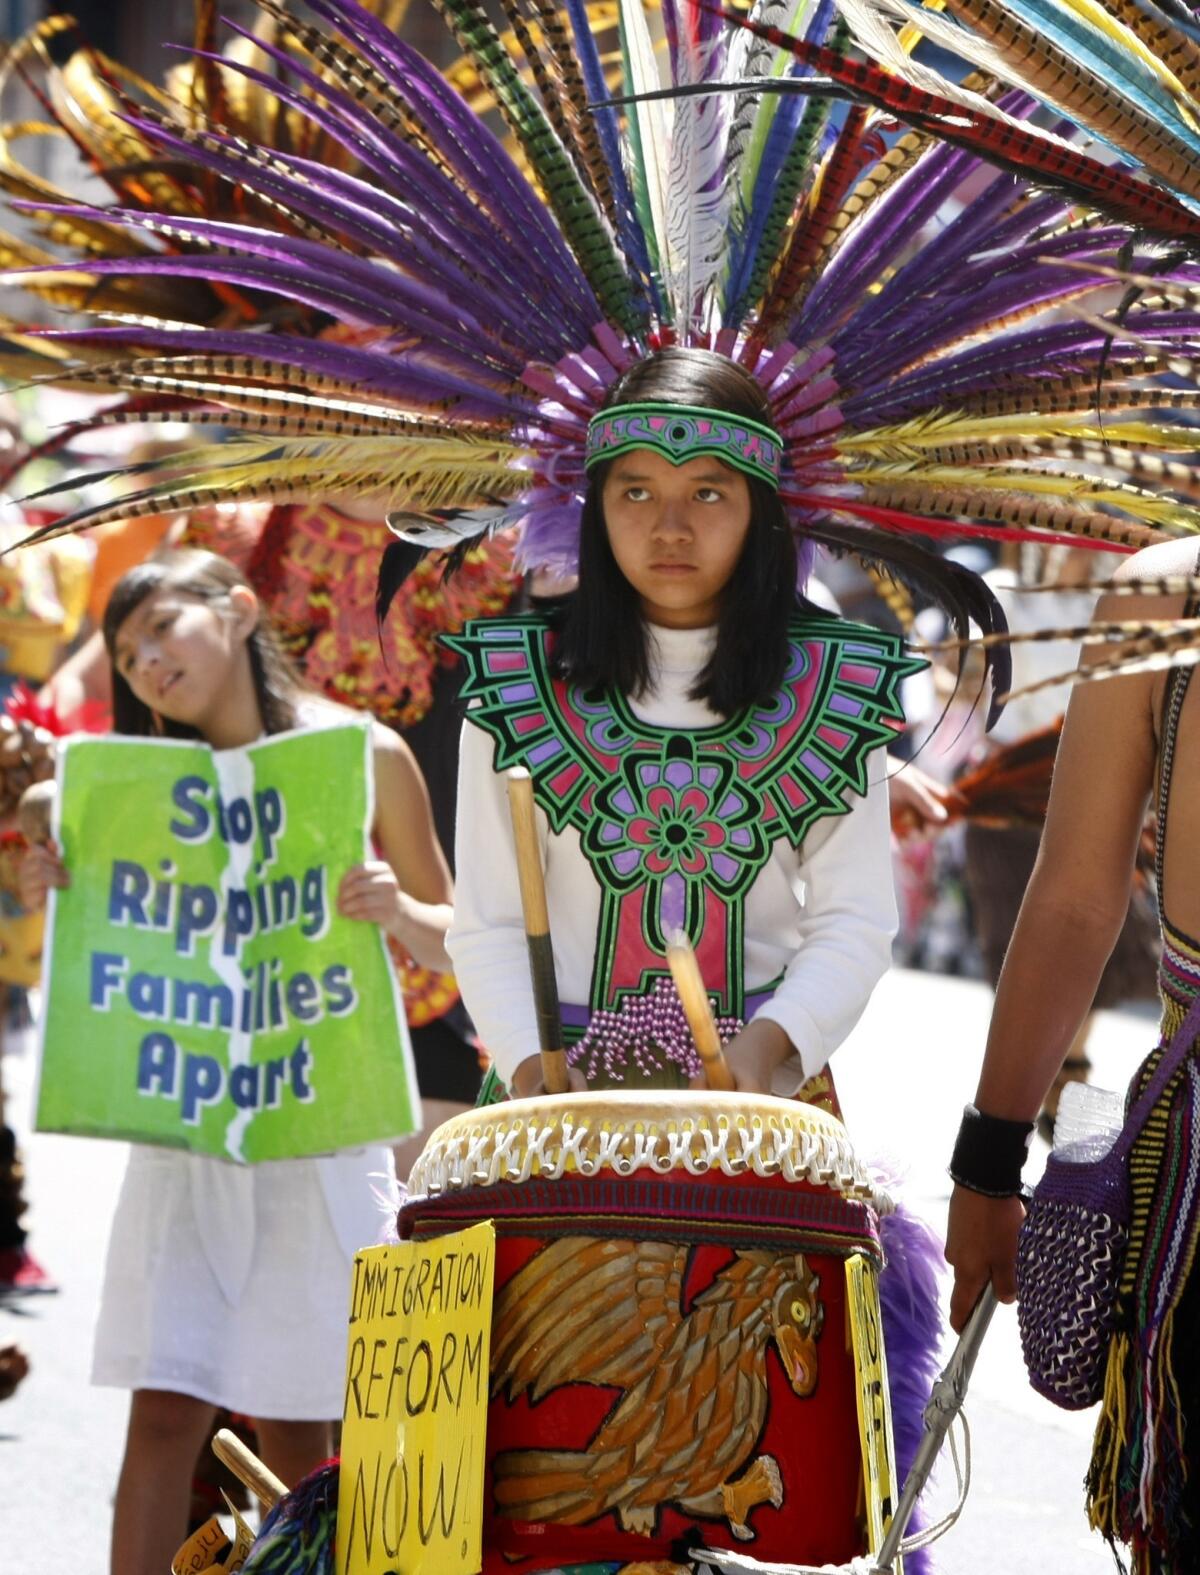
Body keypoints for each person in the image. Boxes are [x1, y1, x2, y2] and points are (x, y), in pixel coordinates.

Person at [18, 548, 454, 1575]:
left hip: (324, 1128)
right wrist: (51, 846)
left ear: (241, 607)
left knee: (304, 1429)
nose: (145, 663)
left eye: (162, 628)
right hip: (188, 1137)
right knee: (164, 1408)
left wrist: (400, 909)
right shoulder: (140, 787)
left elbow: (462, 942)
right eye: (125, 654)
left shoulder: (364, 755)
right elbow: (54, 807)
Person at [446, 346, 921, 1106]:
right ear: (595, 509)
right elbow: (488, 922)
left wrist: (765, 1049)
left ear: (759, 512)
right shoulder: (514, 691)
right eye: (636, 492)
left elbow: (854, 920)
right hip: (553, 1097)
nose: (669, 527)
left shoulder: (836, 691)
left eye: (706, 493)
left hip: (761, 1101)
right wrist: (536, 1075)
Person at [946, 535, 1200, 1572]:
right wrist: (988, 1160)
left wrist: (991, 1163)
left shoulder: (1167, 593)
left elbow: (1076, 904)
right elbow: (1073, 902)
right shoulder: (1164, 594)